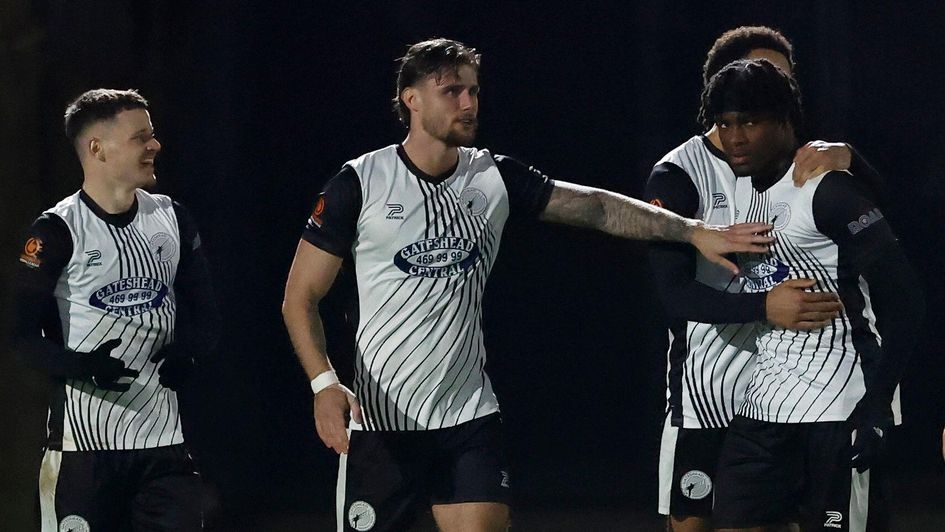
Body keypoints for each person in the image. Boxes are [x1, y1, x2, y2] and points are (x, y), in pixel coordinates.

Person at [281, 38, 773, 532]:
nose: (469, 103)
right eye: (452, 91)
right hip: (379, 425)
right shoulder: (361, 183)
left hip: (467, 419)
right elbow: (300, 298)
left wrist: (690, 230)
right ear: (411, 99)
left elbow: (597, 208)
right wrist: (324, 384)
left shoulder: (491, 176)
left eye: (473, 91)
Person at [645, 26, 885, 532]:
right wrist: (762, 308)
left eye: (784, 77)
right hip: (709, 396)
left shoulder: (803, 161)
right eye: (768, 74)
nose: (782, 86)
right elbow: (671, 295)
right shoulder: (679, 173)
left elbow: (883, 234)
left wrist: (854, 161)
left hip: (798, 392)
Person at [696, 59, 924, 532]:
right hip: (763, 410)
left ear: (785, 121)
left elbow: (906, 301)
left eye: (751, 122)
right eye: (725, 124)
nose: (736, 136)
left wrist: (878, 404)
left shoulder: (824, 189)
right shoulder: (735, 188)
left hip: (837, 411)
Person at [11, 89, 219, 531]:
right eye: (140, 137)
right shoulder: (56, 231)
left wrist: (191, 352)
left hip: (164, 450)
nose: (155, 145)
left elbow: (207, 317)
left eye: (153, 135)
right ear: (97, 149)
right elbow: (19, 336)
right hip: (83, 453)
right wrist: (82, 366)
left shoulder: (173, 218)